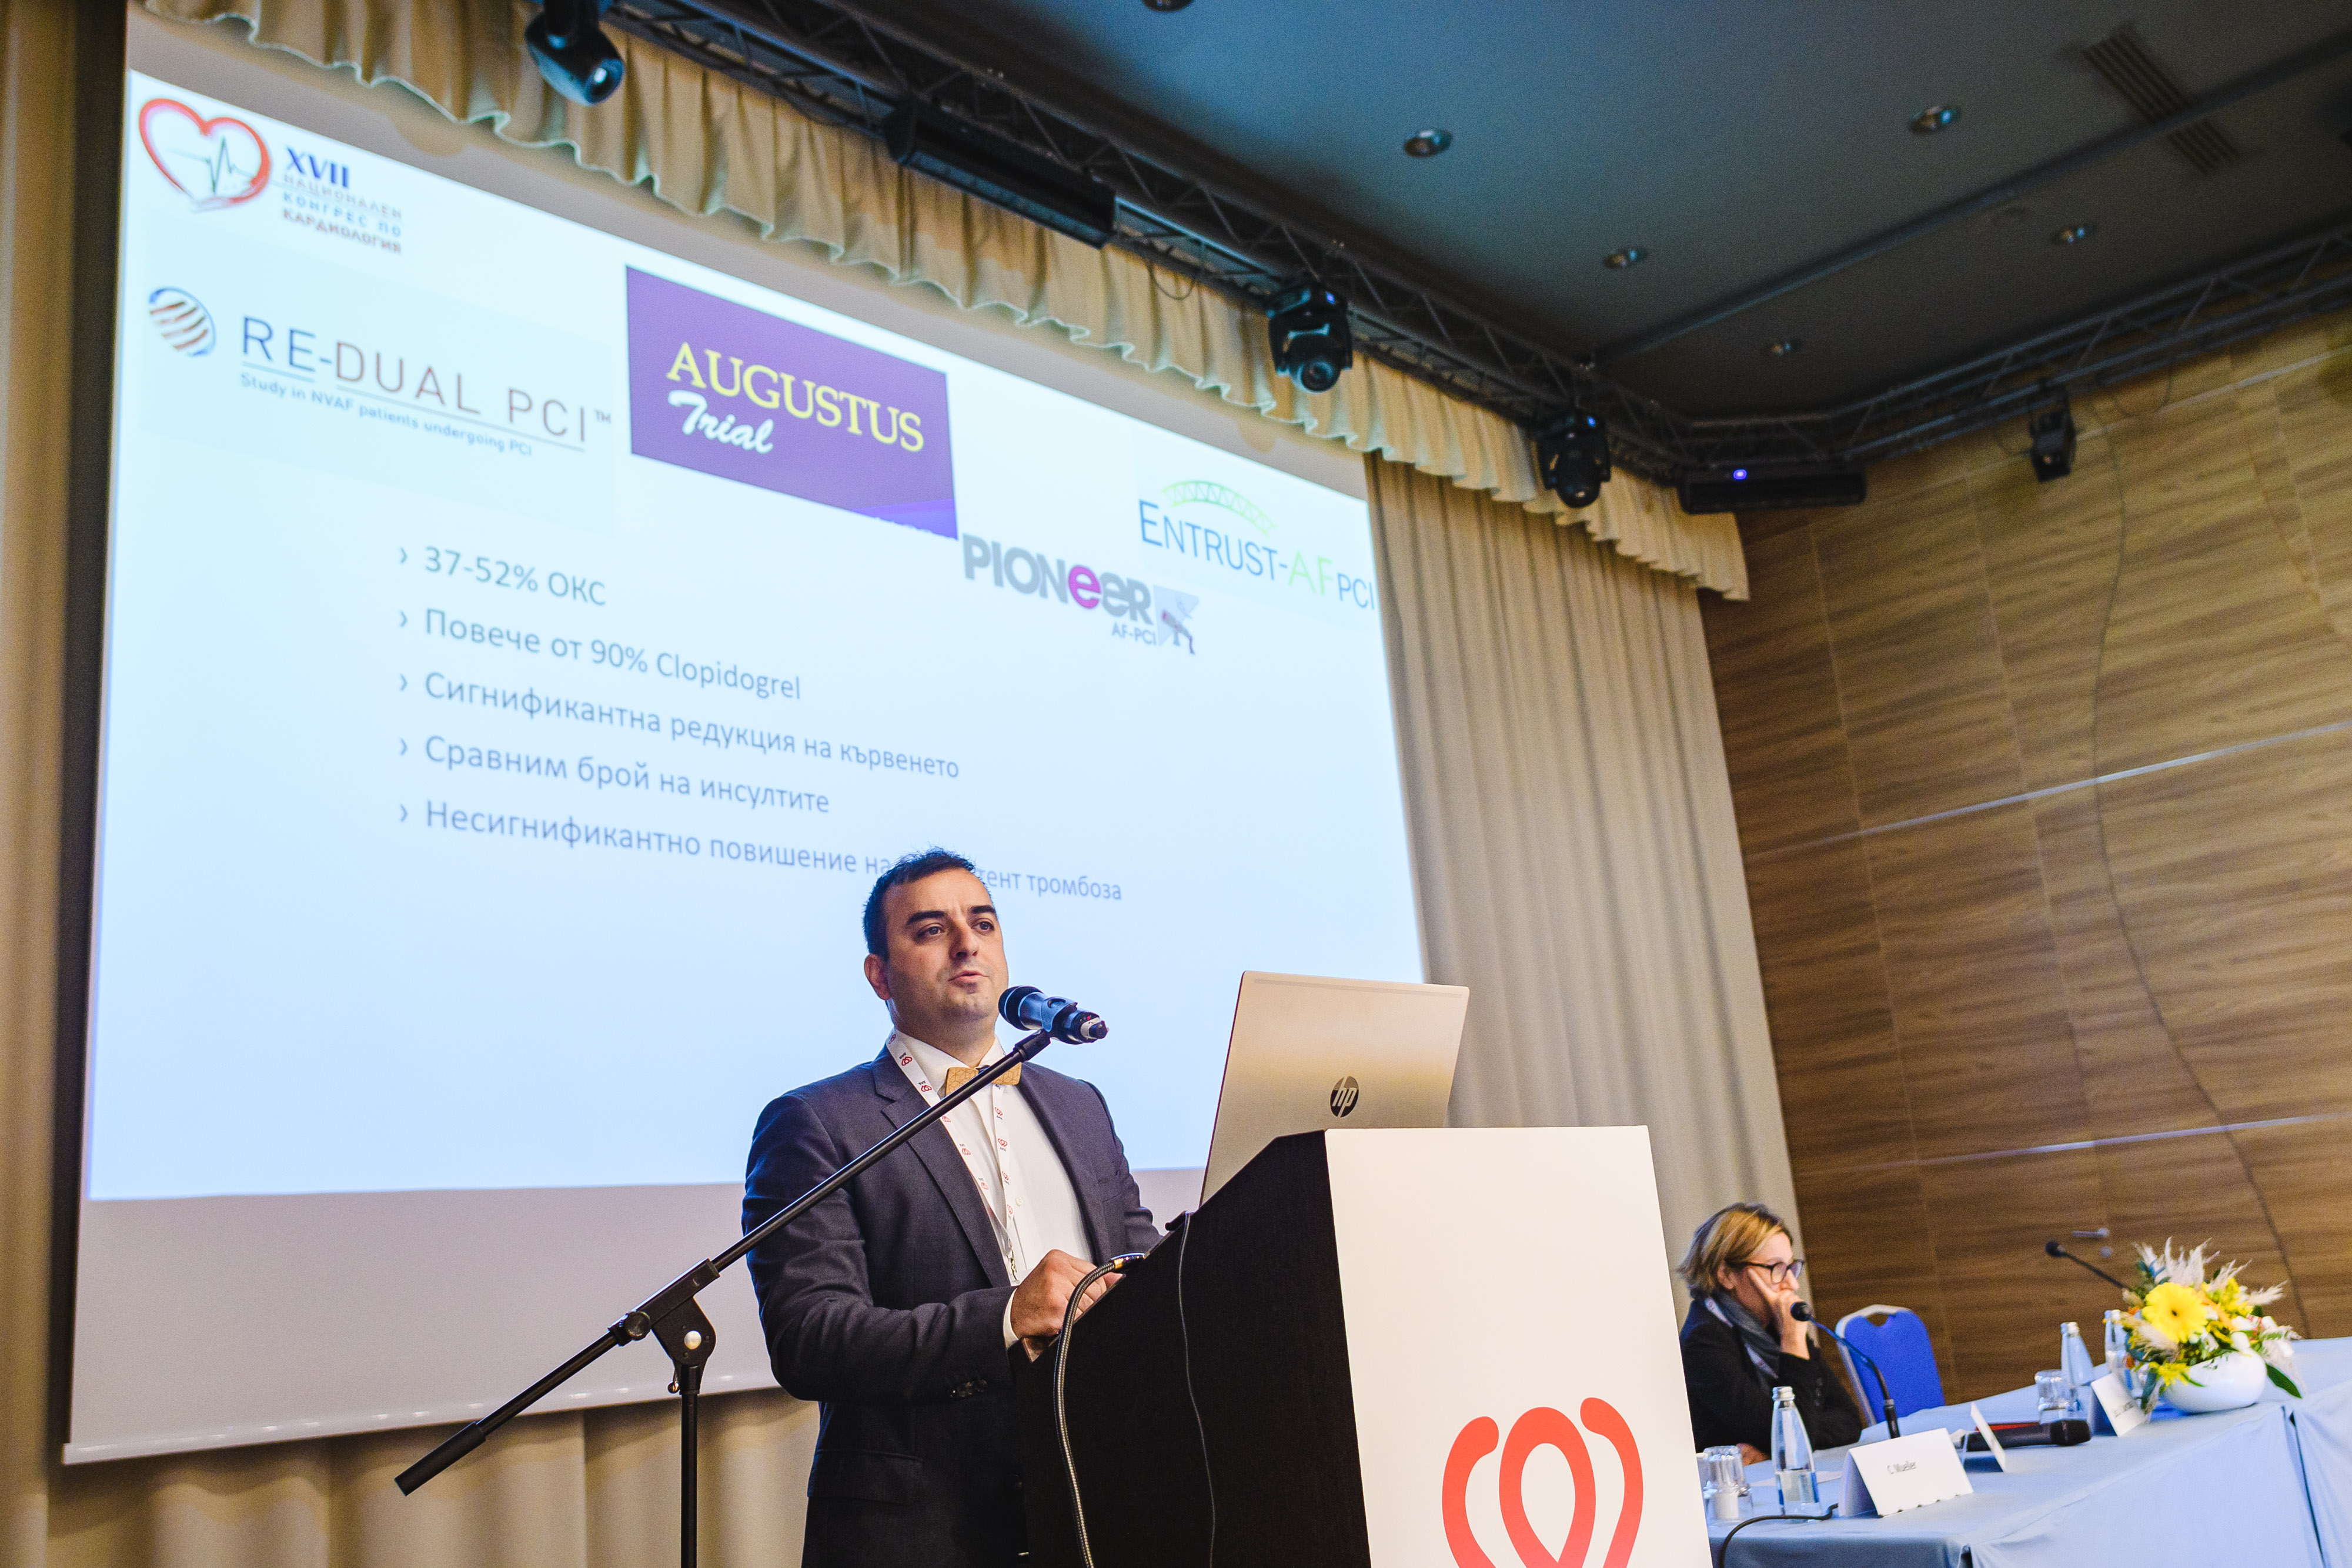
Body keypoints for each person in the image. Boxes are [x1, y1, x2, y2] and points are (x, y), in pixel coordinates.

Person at [743, 849, 1161, 1568]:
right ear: (879, 975)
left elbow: (1139, 1262)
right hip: (923, 1531)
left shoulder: (1080, 1106)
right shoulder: (817, 1123)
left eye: (984, 924)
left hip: (1093, 1507)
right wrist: (1006, 1317)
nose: (967, 944)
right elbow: (810, 1338)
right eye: (932, 929)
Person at [1677, 1202, 1863, 1461]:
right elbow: (1794, 1437)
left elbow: (1849, 1420)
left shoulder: (1776, 1324)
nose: (1792, 1284)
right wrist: (1792, 1341)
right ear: (1727, 1275)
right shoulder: (1704, 1341)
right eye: (1776, 1268)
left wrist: (1771, 1449)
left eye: (1791, 1267)